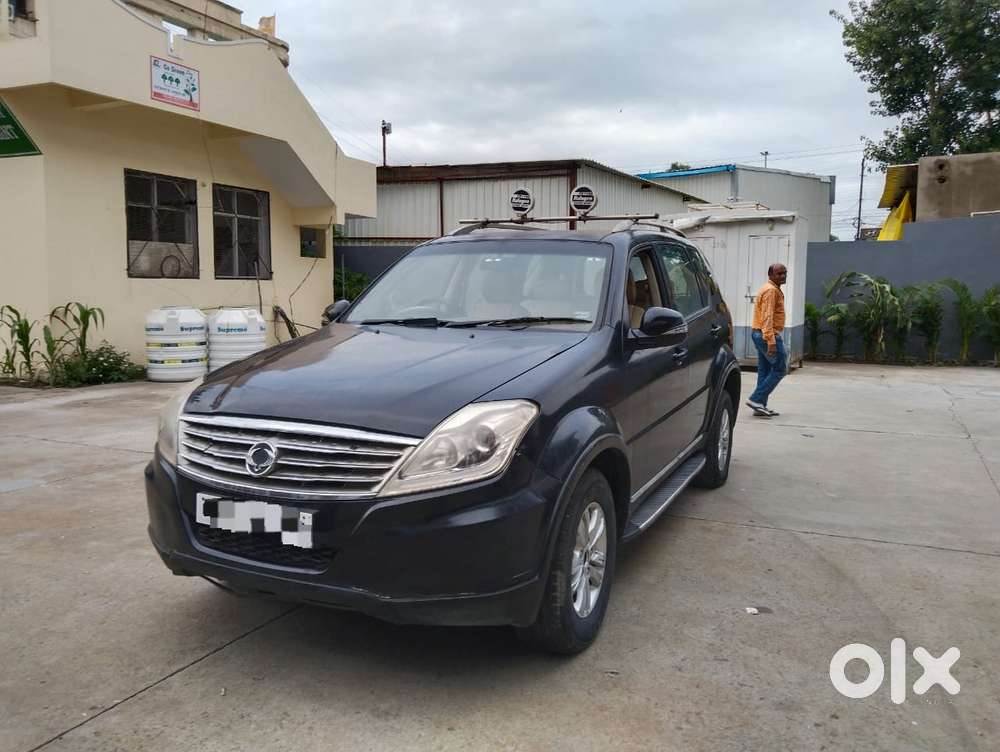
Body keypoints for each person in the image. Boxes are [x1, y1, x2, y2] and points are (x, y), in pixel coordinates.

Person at [746, 263, 788, 417]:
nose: (783, 276)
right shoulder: (771, 291)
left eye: (784, 273)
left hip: (759, 333)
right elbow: (767, 317)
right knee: (780, 369)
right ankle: (756, 399)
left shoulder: (770, 288)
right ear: (770, 275)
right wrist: (770, 340)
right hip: (767, 335)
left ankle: (760, 406)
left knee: (765, 370)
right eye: (779, 274)